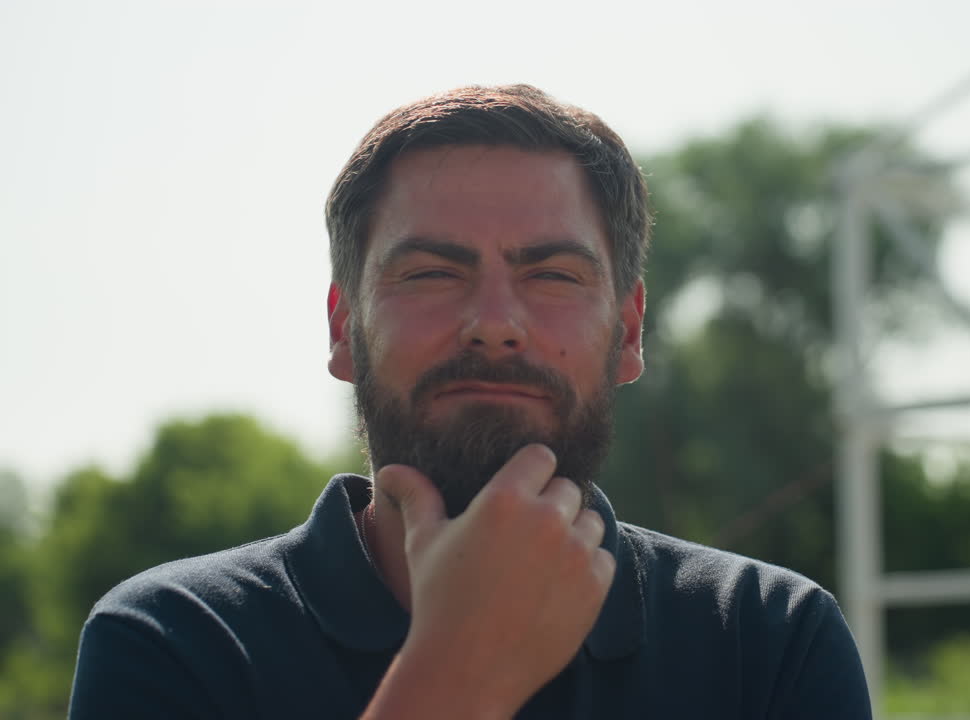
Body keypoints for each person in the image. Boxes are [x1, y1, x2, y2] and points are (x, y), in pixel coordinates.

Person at [68, 84, 871, 719]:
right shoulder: (173, 642)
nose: (494, 325)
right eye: (431, 273)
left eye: (552, 274)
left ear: (628, 332)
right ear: (346, 329)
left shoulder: (769, 639)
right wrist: (455, 673)